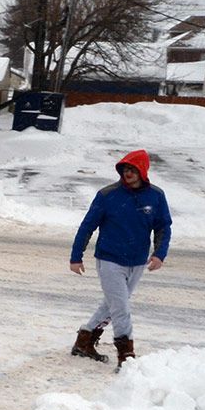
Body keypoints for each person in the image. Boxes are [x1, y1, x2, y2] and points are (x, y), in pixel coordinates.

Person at [69, 148, 172, 369]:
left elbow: (163, 227)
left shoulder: (156, 196)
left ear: (142, 171)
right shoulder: (108, 195)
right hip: (109, 259)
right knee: (121, 308)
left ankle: (84, 341)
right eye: (125, 169)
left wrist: (159, 254)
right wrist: (76, 256)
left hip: (137, 261)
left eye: (133, 169)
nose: (128, 173)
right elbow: (87, 226)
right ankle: (126, 357)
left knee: (112, 304)